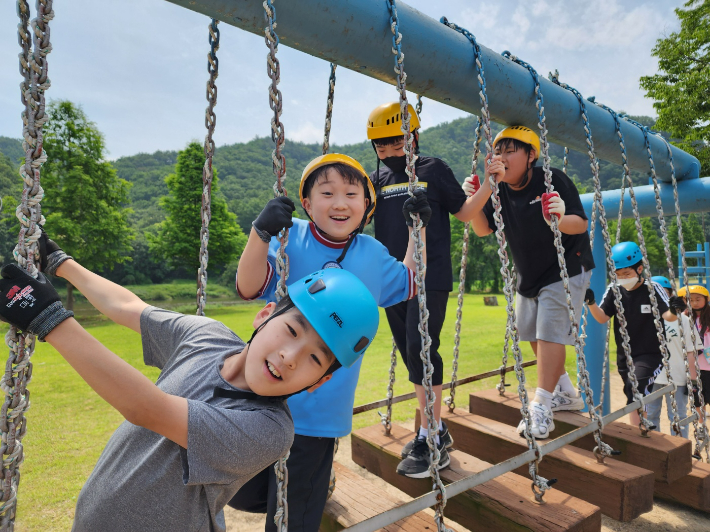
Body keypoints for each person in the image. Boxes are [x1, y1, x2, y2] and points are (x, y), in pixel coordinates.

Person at [0, 234, 379, 532]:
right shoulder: (207, 337)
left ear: (319, 382)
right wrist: (60, 262)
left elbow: (147, 409)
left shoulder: (270, 430)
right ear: (265, 315)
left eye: (315, 358)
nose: (291, 356)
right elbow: (129, 308)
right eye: (292, 329)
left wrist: (52, 321)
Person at [231, 152, 432, 529]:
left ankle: (313, 490)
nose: (340, 203)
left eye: (352, 194)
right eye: (326, 192)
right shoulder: (291, 237)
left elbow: (410, 282)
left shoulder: (371, 254)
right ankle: (316, 488)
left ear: (367, 208)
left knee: (293, 517)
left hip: (318, 411)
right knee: (241, 488)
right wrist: (260, 234)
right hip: (261, 394)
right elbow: (248, 285)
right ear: (306, 203)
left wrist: (417, 229)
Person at [366, 101, 486, 473]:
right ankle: (433, 428)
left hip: (429, 276)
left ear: (413, 137)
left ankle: (431, 437)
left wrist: (492, 185)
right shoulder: (376, 179)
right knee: (410, 355)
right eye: (380, 145)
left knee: (421, 350)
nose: (388, 151)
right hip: (391, 280)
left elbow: (465, 212)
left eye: (395, 142)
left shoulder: (433, 169)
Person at [462, 125, 594, 439]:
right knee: (531, 333)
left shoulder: (551, 179)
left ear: (530, 155)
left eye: (510, 151)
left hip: (565, 267)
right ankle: (565, 391)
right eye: (498, 151)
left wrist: (561, 217)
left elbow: (580, 223)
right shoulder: (498, 190)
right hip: (530, 273)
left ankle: (542, 406)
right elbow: (482, 230)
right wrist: (476, 197)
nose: (502, 157)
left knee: (550, 334)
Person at [586, 242, 686, 427]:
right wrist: (591, 303)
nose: (623, 278)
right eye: (618, 274)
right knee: (632, 394)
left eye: (627, 274)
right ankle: (638, 429)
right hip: (626, 354)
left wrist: (675, 310)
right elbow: (602, 317)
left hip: (651, 353)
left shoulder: (653, 288)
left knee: (636, 387)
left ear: (639, 269)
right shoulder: (614, 291)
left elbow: (667, 316)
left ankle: (641, 427)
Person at [645, 277, 701, 438]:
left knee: (678, 416)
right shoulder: (645, 319)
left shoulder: (683, 320)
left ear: (671, 296)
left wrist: (693, 379)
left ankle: (680, 451)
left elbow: (691, 352)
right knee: (651, 415)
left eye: (665, 293)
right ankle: (654, 449)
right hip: (652, 377)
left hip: (677, 377)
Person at [681, 284, 710, 415]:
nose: (694, 303)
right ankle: (701, 426)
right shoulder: (684, 318)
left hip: (708, 365)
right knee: (698, 399)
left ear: (706, 299)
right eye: (691, 300)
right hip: (694, 366)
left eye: (698, 299)